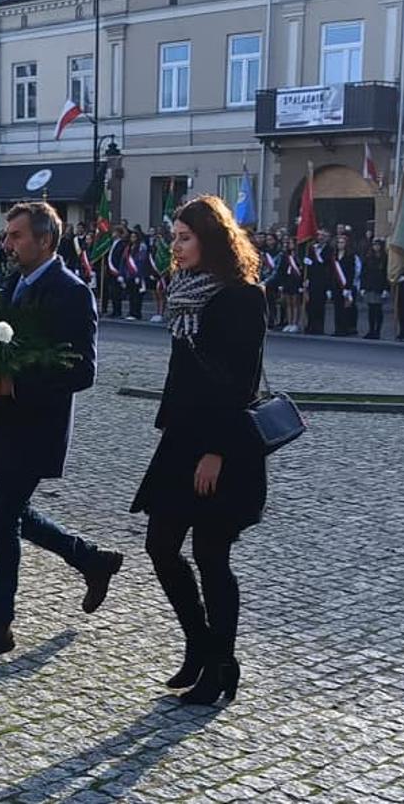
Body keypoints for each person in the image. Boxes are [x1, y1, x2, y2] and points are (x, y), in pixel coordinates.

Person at [0, 201, 124, 661]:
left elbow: (82, 371)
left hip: (36, 425)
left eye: (16, 236)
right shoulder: (13, 283)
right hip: (4, 422)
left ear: (46, 240)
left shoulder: (70, 291)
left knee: (4, 518)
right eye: (7, 235)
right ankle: (89, 558)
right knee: (12, 513)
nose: (6, 244)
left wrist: (15, 382)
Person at [132, 195, 265, 707]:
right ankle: (199, 645)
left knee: (211, 555)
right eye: (174, 239)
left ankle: (222, 664)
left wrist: (216, 451)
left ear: (211, 239)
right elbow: (183, 374)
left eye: (185, 238)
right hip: (182, 438)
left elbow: (239, 383)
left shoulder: (241, 297)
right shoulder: (184, 293)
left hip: (223, 444)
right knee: (161, 545)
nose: (177, 248)